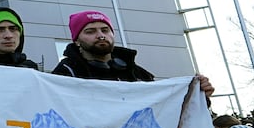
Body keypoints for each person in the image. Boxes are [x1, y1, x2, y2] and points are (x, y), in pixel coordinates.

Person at [51, 10, 213, 98]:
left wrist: (199, 96)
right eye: (90, 31)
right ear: (77, 40)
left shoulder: (137, 73)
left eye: (105, 30)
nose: (100, 35)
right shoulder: (65, 74)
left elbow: (165, 107)